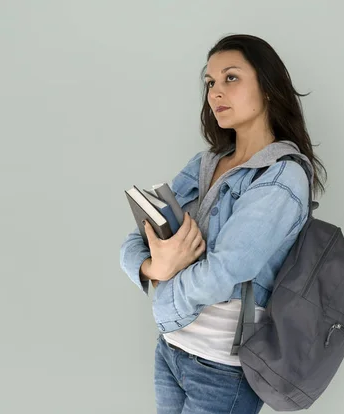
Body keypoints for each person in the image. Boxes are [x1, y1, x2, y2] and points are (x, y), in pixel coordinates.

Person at [119, 33, 327, 414]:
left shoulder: (282, 177)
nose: (216, 92)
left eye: (231, 78)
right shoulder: (205, 163)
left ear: (267, 88)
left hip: (221, 368)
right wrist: (155, 265)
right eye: (210, 82)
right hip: (171, 352)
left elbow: (227, 269)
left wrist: (163, 299)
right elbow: (136, 240)